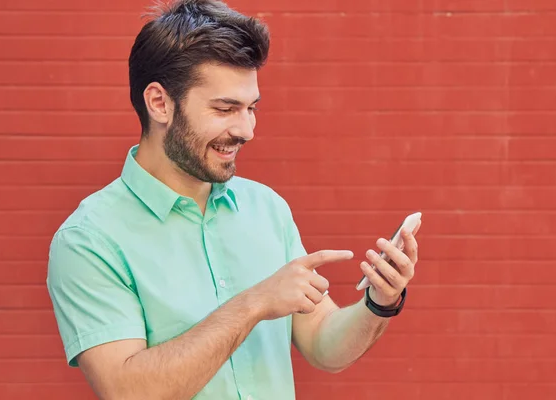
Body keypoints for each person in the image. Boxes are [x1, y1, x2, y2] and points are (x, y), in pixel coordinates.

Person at [46, 0, 421, 399]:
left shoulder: (267, 209)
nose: (246, 130)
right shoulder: (89, 240)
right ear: (159, 103)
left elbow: (325, 347)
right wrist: (255, 303)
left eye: (251, 108)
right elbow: (129, 392)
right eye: (225, 109)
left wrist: (379, 303)